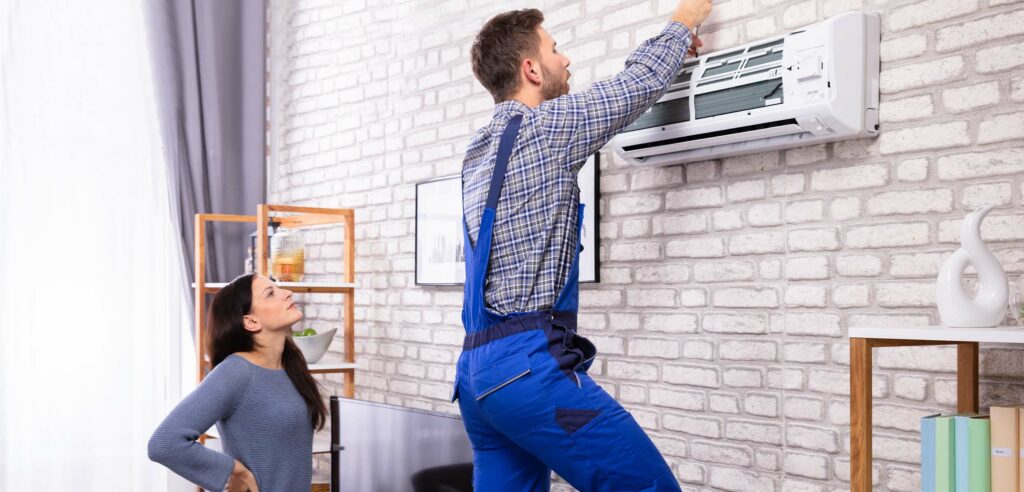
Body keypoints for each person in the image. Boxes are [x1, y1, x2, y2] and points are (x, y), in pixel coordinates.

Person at [453, 1, 713, 490]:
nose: (565, 59)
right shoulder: (544, 127)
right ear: (530, 69)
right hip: (525, 372)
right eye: (555, 50)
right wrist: (684, 20)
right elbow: (636, 84)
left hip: (475, 377)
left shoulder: (478, 150)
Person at [148, 274, 326, 492]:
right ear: (250, 321)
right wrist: (235, 473)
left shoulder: (292, 366)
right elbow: (165, 443)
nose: (287, 293)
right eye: (271, 293)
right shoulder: (236, 371)